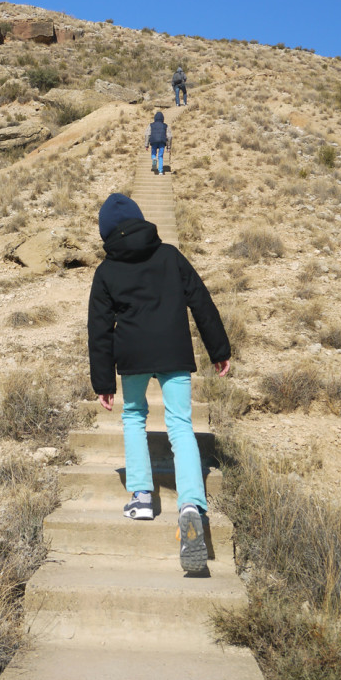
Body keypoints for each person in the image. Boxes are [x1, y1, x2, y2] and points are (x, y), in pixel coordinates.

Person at [87, 193, 231, 573]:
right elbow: (200, 299)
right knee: (180, 425)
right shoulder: (169, 255)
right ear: (140, 220)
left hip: (132, 353)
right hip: (173, 349)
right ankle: (190, 504)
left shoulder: (106, 271)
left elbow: (99, 329)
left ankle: (141, 496)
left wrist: (103, 381)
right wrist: (218, 349)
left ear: (105, 232)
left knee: (133, 417)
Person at [144, 111, 171, 176]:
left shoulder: (151, 125)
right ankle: (160, 171)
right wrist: (168, 147)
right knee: (160, 156)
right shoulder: (165, 126)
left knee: (153, 153)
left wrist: (146, 145)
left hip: (153, 141)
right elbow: (169, 136)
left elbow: (147, 134)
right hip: (162, 141)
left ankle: (153, 158)